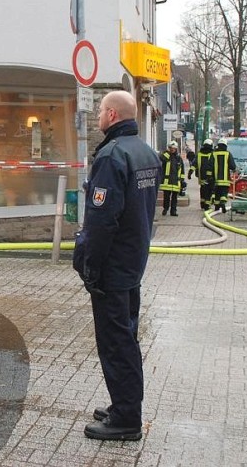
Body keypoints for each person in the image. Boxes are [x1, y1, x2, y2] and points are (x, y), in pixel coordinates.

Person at [72, 90, 161, 441]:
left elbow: (102, 220)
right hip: (133, 261)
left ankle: (126, 418)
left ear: (111, 115)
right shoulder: (145, 153)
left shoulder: (111, 156)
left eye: (99, 111)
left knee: (116, 342)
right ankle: (124, 404)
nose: (96, 116)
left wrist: (89, 267)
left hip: (112, 267)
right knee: (126, 336)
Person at [211, 138, 236, 213]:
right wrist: (233, 169)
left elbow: (210, 165)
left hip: (216, 179)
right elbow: (232, 166)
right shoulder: (228, 154)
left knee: (217, 193)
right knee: (224, 193)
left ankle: (216, 207)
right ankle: (223, 203)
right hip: (225, 179)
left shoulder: (214, 153)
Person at [160, 141, 185, 216]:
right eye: (171, 148)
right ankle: (165, 209)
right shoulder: (165, 156)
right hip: (167, 181)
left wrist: (182, 180)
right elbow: (161, 159)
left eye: (174, 148)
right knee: (166, 197)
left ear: (176, 149)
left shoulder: (178, 158)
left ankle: (173, 211)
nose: (172, 150)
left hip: (176, 182)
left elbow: (182, 170)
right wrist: (167, 153)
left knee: (175, 198)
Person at [192, 139, 215, 211]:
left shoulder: (199, 154)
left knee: (203, 189)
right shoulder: (212, 154)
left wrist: (190, 171)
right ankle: (207, 205)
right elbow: (213, 165)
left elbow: (194, 163)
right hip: (210, 176)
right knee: (209, 191)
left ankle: (202, 204)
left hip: (201, 176)